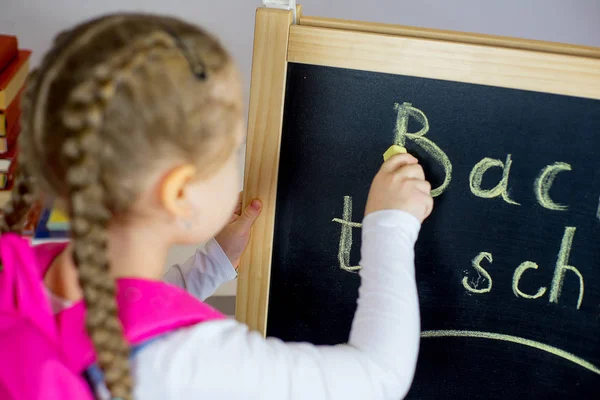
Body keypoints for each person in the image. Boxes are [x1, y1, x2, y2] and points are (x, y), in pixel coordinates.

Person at [0, 13, 433, 400]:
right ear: (180, 193)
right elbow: (379, 378)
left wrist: (213, 262)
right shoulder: (194, 362)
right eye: (233, 149)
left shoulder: (25, 275)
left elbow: (126, 316)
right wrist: (389, 226)